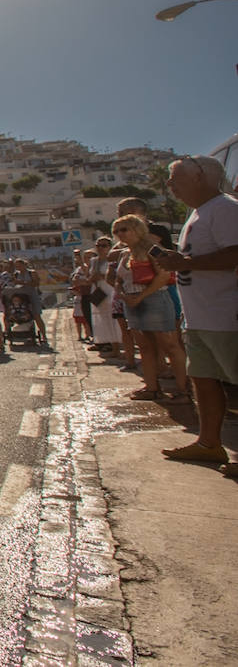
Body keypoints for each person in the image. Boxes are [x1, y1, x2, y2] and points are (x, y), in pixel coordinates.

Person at [153, 156, 238, 474]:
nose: (170, 186)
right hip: (200, 316)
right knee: (203, 381)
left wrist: (185, 263)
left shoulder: (227, 209)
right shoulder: (199, 214)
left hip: (225, 314)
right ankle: (209, 443)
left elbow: (235, 253)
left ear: (200, 177)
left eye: (175, 179)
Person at [111, 215, 187, 404]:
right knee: (145, 347)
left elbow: (164, 276)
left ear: (137, 229)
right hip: (132, 301)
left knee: (169, 344)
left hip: (154, 299)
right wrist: (123, 295)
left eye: (124, 229)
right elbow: (118, 279)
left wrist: (141, 297)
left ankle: (183, 389)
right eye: (117, 231)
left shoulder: (153, 249)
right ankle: (152, 387)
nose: (120, 234)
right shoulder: (124, 254)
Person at [85, 238, 123, 359]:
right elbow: (88, 276)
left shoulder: (113, 259)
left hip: (110, 290)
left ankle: (120, 347)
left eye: (104, 245)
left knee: (114, 319)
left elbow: (117, 275)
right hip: (97, 291)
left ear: (109, 246)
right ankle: (111, 346)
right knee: (103, 319)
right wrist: (91, 278)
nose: (100, 248)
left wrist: (101, 276)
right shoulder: (93, 261)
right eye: (98, 245)